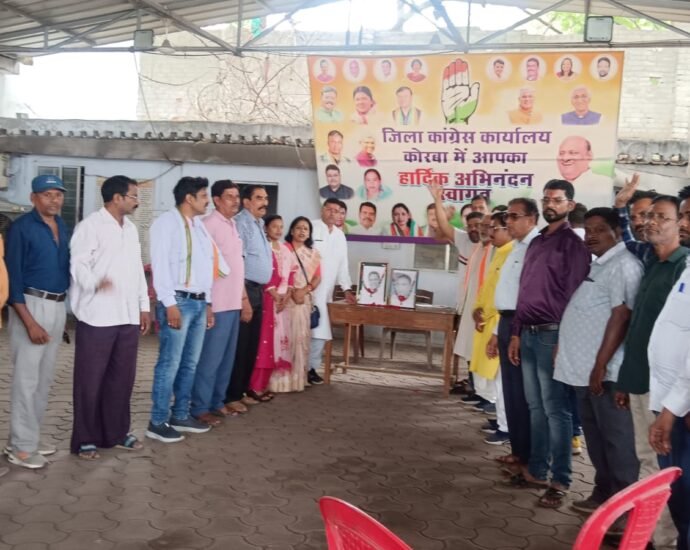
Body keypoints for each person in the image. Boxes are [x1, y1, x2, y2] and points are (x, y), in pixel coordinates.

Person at [507, 179, 591, 509]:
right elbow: (525, 291)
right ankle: (538, 471)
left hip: (552, 335)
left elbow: (575, 297)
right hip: (527, 333)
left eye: (556, 200)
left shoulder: (572, 244)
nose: (550, 204)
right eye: (546, 199)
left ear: (570, 205)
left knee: (556, 409)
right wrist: (516, 332)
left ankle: (561, 480)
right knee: (535, 407)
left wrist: (564, 341)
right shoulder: (538, 241)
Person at [554, 207, 642, 517]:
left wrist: (601, 364)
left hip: (606, 374)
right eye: (588, 230)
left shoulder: (624, 265)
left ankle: (625, 512)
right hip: (585, 372)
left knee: (618, 443)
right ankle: (603, 494)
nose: (591, 236)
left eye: (599, 229)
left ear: (617, 232)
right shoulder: (602, 265)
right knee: (597, 440)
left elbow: (622, 315)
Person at [615, 195, 687, 549]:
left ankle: (662, 540)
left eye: (662, 217)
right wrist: (625, 380)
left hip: (668, 392)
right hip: (640, 380)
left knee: (660, 465)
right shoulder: (652, 262)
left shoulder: (681, 265)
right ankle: (650, 536)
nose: (651, 222)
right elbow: (642, 330)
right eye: (648, 216)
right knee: (646, 459)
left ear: (678, 224)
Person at [69, 175, 151, 459]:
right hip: (97, 317)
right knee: (90, 381)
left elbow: (137, 270)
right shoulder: (90, 226)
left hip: (127, 316)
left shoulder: (130, 228)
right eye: (133, 196)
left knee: (121, 381)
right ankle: (85, 439)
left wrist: (144, 306)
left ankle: (116, 433)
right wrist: (94, 282)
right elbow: (78, 264)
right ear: (117, 198)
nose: (137, 202)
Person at [147, 177, 219, 443]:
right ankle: (157, 421)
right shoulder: (165, 224)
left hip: (198, 302)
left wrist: (208, 302)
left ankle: (180, 414)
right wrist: (169, 303)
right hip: (178, 301)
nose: (208, 201)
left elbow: (206, 266)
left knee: (190, 363)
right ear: (189, 198)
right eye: (204, 196)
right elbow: (160, 265)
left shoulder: (199, 226)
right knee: (170, 363)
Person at [4, 174, 69, 469]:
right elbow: (14, 279)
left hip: (56, 305)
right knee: (26, 380)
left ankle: (29, 437)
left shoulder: (61, 225)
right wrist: (29, 322)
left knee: (43, 380)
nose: (54, 200)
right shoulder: (21, 228)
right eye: (47, 194)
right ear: (33, 198)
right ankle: (20, 448)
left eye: (58, 194)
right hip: (30, 305)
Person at [487, 198, 540, 475]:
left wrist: (516, 331)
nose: (508, 221)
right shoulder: (515, 247)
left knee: (523, 394)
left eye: (514, 216)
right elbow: (506, 293)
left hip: (523, 324)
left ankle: (530, 457)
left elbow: (527, 295)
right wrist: (497, 332)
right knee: (511, 392)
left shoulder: (536, 247)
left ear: (532, 219)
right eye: (507, 216)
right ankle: (518, 450)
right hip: (507, 321)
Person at [190, 180, 246, 425]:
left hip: (233, 302)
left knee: (226, 359)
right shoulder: (208, 225)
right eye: (230, 196)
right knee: (210, 359)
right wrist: (208, 304)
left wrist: (243, 299)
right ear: (216, 199)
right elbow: (202, 266)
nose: (235, 201)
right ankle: (200, 406)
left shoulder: (232, 224)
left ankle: (217, 401)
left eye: (237, 196)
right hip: (217, 303)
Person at [648, 258, 690, 550]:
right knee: (679, 496)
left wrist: (672, 408)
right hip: (671, 401)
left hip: (680, 408)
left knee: (686, 496)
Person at [225, 185, 273, 413]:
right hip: (244, 289)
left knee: (251, 345)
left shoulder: (258, 223)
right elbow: (238, 263)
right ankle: (231, 395)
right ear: (246, 202)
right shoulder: (242, 224)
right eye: (259, 198)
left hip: (257, 290)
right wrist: (243, 299)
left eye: (266, 198)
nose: (265, 202)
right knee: (241, 345)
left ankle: (242, 391)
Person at [471, 211, 514, 445]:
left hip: (500, 323)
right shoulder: (499, 252)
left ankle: (506, 428)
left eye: (494, 228)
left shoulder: (512, 254)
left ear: (508, 230)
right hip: (488, 322)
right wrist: (477, 309)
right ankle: (501, 420)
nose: (490, 232)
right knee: (495, 379)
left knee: (502, 380)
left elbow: (506, 297)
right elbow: (488, 288)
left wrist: (492, 321)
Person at [249, 215, 296, 399]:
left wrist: (288, 294)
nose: (278, 230)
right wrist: (275, 294)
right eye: (274, 226)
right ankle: (255, 385)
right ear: (266, 228)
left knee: (277, 343)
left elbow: (291, 273)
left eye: (281, 226)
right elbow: (264, 273)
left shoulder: (285, 249)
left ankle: (265, 384)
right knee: (265, 343)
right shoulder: (264, 248)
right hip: (268, 300)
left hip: (283, 302)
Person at [309, 199, 355, 385]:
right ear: (322, 210)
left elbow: (343, 265)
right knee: (301, 331)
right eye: (329, 209)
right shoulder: (310, 227)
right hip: (305, 290)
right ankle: (293, 369)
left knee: (319, 331)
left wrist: (347, 289)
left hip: (325, 293)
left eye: (337, 211)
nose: (332, 213)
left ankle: (311, 369)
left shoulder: (340, 235)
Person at [288, 216, 325, 387]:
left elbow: (318, 277)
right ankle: (281, 379)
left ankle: (298, 378)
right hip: (284, 301)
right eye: (298, 228)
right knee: (284, 339)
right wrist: (291, 292)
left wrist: (304, 290)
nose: (302, 231)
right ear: (291, 231)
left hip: (303, 301)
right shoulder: (284, 249)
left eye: (306, 229)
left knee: (301, 339)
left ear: (309, 233)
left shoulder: (313, 254)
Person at [557, 136, 612, 207]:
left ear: (589, 156)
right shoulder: (555, 187)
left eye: (573, 153)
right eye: (561, 153)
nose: (565, 158)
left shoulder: (603, 184)